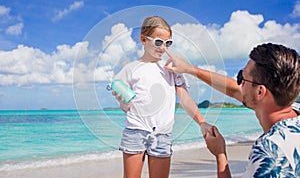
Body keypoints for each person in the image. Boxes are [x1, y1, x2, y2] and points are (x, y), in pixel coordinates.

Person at [164, 43, 300, 177]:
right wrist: (190, 69)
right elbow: (233, 89)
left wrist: (220, 154)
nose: (239, 83)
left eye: (242, 78)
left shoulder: (269, 153)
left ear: (260, 92)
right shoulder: (294, 112)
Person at [112, 16, 211, 178]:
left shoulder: (171, 68)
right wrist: (121, 100)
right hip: (135, 131)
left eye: (168, 43)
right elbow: (126, 107)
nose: (163, 48)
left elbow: (184, 98)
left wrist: (201, 122)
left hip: (162, 134)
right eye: (158, 42)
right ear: (143, 39)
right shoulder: (130, 69)